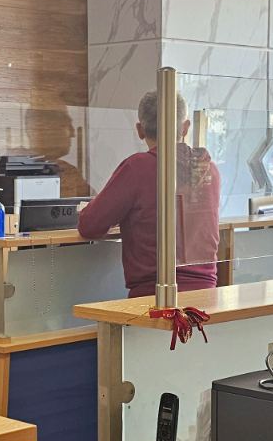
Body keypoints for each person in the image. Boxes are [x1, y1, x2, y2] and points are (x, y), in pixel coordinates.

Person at [77, 91, 221, 298]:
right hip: (206, 298)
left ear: (140, 130)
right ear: (185, 127)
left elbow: (90, 225)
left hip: (153, 299)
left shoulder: (137, 168)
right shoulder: (210, 171)